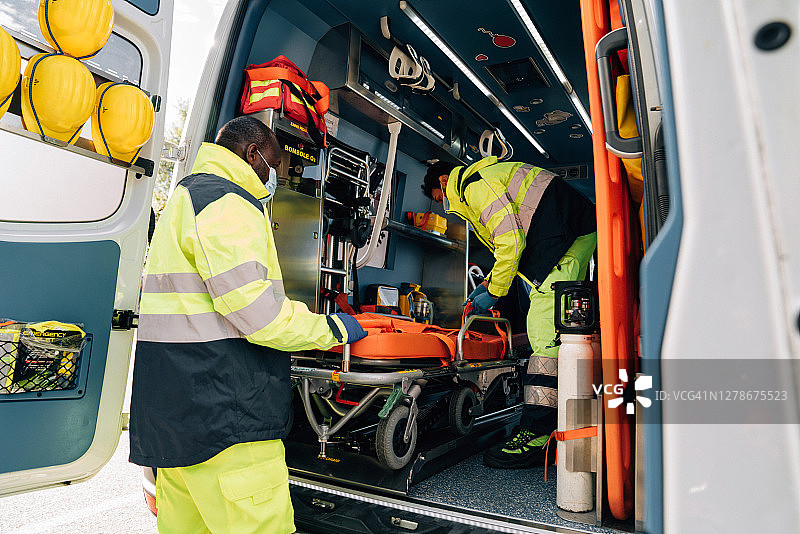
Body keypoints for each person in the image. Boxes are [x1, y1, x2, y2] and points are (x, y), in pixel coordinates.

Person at [129, 116, 367, 533]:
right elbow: (261, 318)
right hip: (227, 417)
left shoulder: (186, 196)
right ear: (252, 154)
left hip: (176, 414)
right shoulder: (228, 202)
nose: (276, 177)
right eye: (276, 166)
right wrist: (333, 329)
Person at [423, 156, 596, 469]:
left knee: (544, 337)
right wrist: (487, 283)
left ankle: (537, 435)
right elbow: (512, 241)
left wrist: (494, 292)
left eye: (440, 198)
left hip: (560, 240)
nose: (444, 206)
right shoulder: (487, 178)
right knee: (562, 334)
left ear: (445, 182)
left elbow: (511, 242)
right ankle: (554, 424)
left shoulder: (474, 187)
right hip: (568, 233)